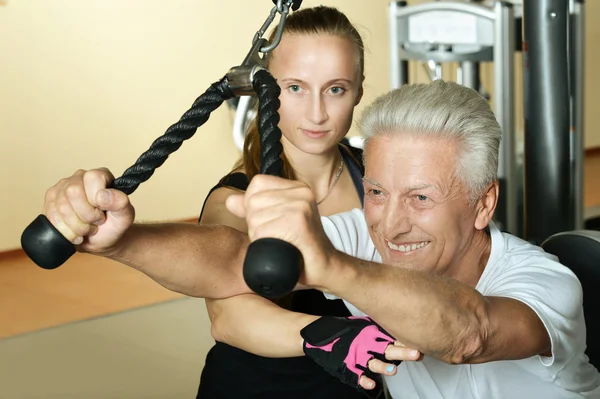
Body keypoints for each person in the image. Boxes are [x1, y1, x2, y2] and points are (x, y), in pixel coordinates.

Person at [225, 80, 600, 398]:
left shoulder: (547, 282)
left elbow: (470, 335)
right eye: (376, 193)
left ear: (483, 204)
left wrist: (331, 267)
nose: (390, 227)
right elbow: (224, 259)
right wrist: (162, 234)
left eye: (420, 198)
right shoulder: (366, 238)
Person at [195, 6, 388, 398]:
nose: (316, 114)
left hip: (359, 387)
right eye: (295, 87)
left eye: (335, 89)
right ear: (268, 91)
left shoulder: (382, 181)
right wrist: (330, 335)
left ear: (359, 90)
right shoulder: (233, 199)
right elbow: (228, 318)